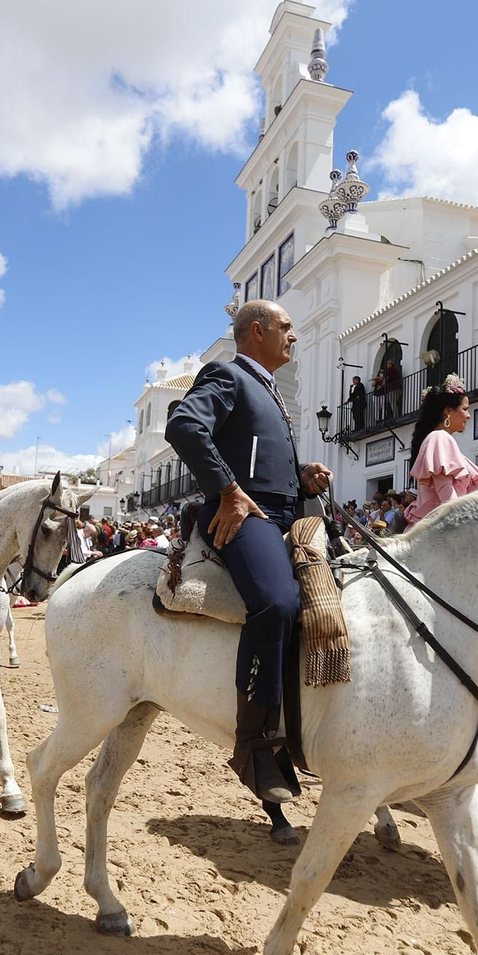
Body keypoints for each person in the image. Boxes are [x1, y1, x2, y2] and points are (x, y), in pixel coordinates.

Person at [165, 299, 331, 804]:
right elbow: (184, 426)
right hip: (247, 514)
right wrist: (230, 491)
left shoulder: (272, 391)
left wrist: (302, 480)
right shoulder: (228, 374)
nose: (294, 335)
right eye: (286, 326)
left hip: (287, 512)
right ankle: (254, 744)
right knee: (277, 602)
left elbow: (263, 460)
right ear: (256, 331)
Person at [403, 375, 478, 527]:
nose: (468, 416)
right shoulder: (439, 437)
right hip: (436, 535)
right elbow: (449, 500)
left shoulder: (439, 439)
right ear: (448, 411)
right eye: (465, 409)